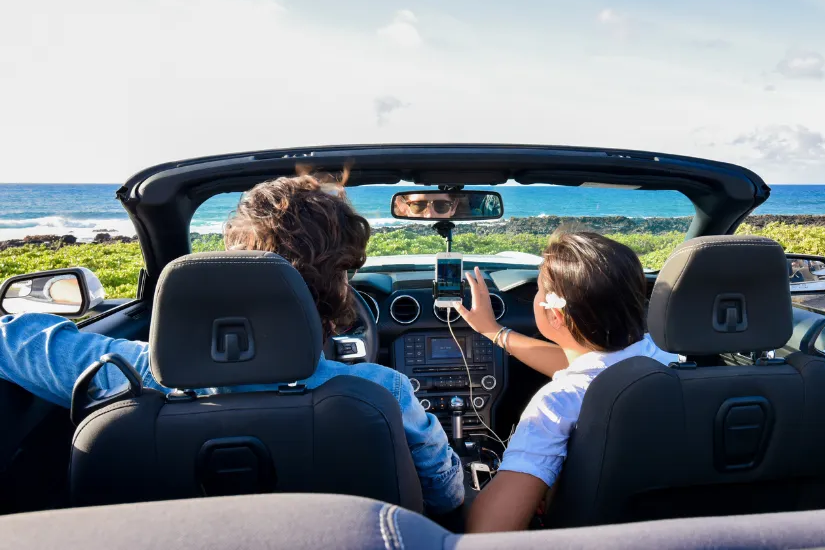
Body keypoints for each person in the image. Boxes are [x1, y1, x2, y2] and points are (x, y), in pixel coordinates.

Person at [0, 170, 464, 515]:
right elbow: (446, 496)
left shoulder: (123, 378)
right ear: (337, 282)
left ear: (228, 267)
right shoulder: (383, 390)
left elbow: (10, 340)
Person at [454, 230, 679, 533]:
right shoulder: (670, 358)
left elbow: (487, 533)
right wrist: (494, 332)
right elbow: (594, 365)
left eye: (537, 290)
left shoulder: (556, 404)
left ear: (556, 316)